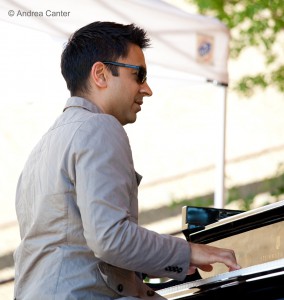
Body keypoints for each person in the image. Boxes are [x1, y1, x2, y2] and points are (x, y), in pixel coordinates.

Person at [13, 21, 240, 300]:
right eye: (139, 75)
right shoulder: (99, 127)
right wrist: (189, 251)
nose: (147, 89)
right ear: (101, 74)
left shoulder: (42, 148)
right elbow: (110, 239)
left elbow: (81, 252)